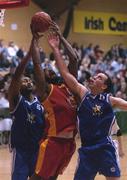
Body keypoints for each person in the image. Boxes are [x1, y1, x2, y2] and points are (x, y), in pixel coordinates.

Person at [47, 33, 127, 180]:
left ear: (103, 86)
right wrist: (55, 48)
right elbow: (64, 73)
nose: (95, 77)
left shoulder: (110, 100)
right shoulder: (83, 93)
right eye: (96, 75)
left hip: (105, 147)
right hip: (87, 149)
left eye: (99, 78)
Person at [29, 23, 78, 180]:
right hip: (53, 143)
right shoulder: (46, 91)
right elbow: (37, 64)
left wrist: (61, 38)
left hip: (69, 144)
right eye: (44, 71)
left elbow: (74, 59)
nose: (47, 69)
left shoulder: (68, 87)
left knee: (53, 178)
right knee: (38, 178)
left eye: (49, 69)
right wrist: (34, 40)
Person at [8, 39, 45, 180]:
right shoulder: (16, 100)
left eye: (29, 80)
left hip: (37, 150)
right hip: (21, 151)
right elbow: (17, 75)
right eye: (25, 80)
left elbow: (39, 72)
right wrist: (29, 54)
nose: (28, 81)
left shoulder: (40, 103)